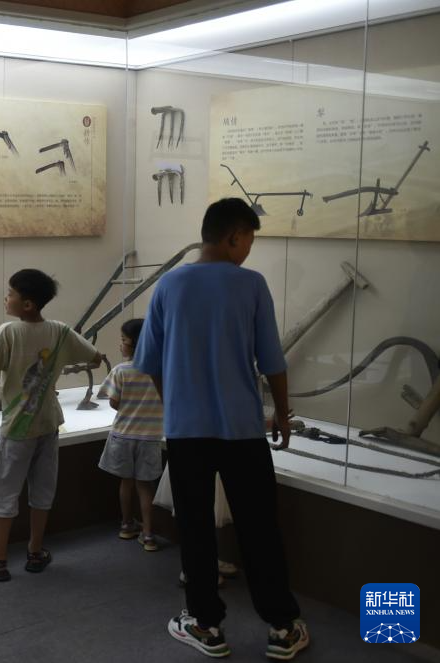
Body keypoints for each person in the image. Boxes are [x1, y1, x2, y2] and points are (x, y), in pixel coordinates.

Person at [134, 198, 309, 660]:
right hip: (242, 431)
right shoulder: (251, 284)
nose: (249, 249)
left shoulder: (169, 285)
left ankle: (205, 625)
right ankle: (282, 627)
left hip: (187, 433)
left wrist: (176, 405)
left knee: (194, 528)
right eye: (249, 240)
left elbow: (150, 361)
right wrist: (282, 414)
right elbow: (272, 361)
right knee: (259, 528)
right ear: (234, 236)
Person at [0, 269, 105, 581]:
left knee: (5, 491)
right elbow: (94, 358)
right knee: (42, 489)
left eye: (10, 293)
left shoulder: (9, 332)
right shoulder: (60, 331)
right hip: (48, 423)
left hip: (17, 428)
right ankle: (35, 551)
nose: (6, 298)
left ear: (27, 304)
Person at [97, 318, 163, 552]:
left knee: (126, 482)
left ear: (134, 343)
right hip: (150, 437)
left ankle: (126, 525)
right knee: (145, 486)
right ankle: (149, 534)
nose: (120, 344)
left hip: (123, 434)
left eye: (123, 340)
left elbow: (114, 402)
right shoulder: (160, 370)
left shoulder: (120, 370)